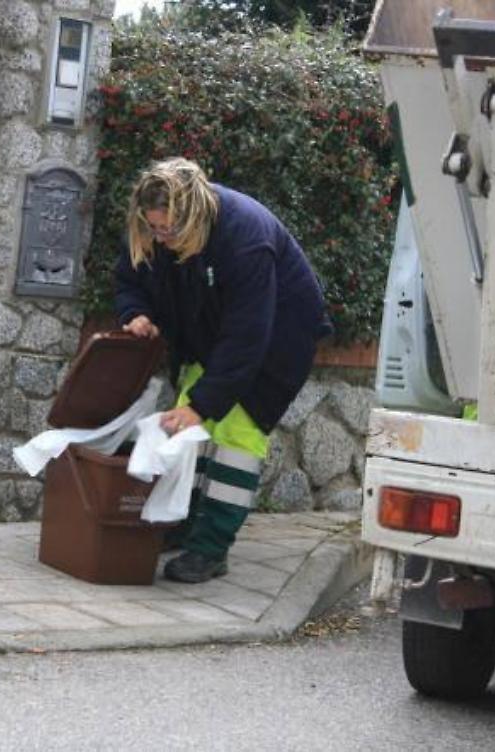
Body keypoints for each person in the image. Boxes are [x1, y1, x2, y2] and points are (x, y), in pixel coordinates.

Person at [115, 157, 333, 583]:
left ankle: (210, 549)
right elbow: (130, 278)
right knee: (185, 430)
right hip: (211, 338)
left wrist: (204, 404)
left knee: (235, 434)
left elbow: (248, 336)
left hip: (275, 343)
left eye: (170, 230)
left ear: (193, 216)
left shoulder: (245, 237)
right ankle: (182, 524)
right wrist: (135, 311)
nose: (162, 238)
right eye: (154, 228)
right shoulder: (155, 229)